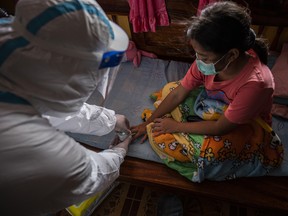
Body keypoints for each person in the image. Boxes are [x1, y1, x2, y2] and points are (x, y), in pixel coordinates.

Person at [0, 0, 132, 215]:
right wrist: (120, 149)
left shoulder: (16, 51)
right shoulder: (34, 150)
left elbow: (46, 105)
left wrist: (110, 120)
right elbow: (93, 175)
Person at [131, 1, 283, 182]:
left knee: (213, 152)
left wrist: (175, 126)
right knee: (170, 89)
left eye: (203, 57)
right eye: (197, 54)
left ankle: (190, 145)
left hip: (244, 124)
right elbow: (179, 93)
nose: (198, 61)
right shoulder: (210, 63)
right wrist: (148, 122)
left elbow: (221, 128)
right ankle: (186, 128)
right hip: (213, 105)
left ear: (232, 55)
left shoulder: (256, 84)